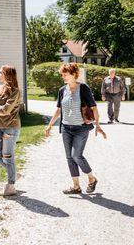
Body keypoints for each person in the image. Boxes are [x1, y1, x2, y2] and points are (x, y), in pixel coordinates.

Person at [46, 63, 106, 194]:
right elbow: (58, 109)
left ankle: (91, 178)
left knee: (76, 156)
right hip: (66, 128)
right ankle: (76, 186)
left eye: (65, 74)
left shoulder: (83, 88)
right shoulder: (62, 90)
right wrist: (50, 125)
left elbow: (94, 107)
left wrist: (98, 125)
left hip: (81, 128)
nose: (63, 77)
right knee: (69, 157)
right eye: (62, 75)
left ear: (74, 74)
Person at [0, 66, 22, 196]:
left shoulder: (15, 91)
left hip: (11, 127)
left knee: (8, 157)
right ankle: (13, 173)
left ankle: (11, 185)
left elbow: (6, 110)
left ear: (7, 75)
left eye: (1, 73)